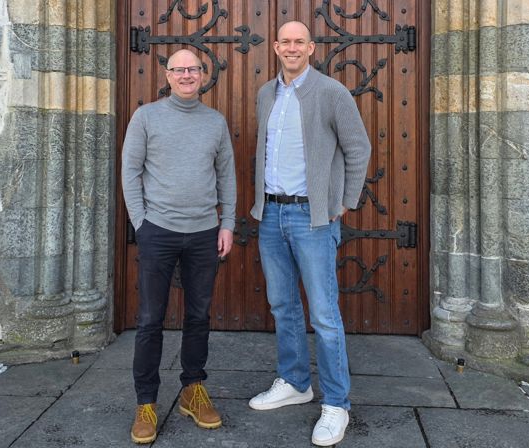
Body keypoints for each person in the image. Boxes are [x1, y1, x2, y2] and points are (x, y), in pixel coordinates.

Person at [248, 21, 371, 446]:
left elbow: (358, 147)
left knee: (323, 314)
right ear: (275, 47)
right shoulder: (266, 94)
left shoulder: (332, 92)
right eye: (285, 41)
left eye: (299, 41)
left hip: (312, 218)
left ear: (311, 48)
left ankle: (336, 404)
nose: (292, 48)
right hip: (271, 215)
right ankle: (295, 382)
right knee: (283, 305)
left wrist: (345, 201)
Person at [121, 49, 236, 444]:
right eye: (179, 69)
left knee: (198, 316)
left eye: (193, 69)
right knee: (150, 319)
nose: (187, 75)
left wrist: (227, 223)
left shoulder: (215, 122)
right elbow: (130, 171)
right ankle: (146, 403)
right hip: (159, 231)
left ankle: (192, 390)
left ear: (203, 75)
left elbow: (226, 175)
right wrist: (141, 223)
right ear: (167, 76)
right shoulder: (146, 117)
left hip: (204, 233)